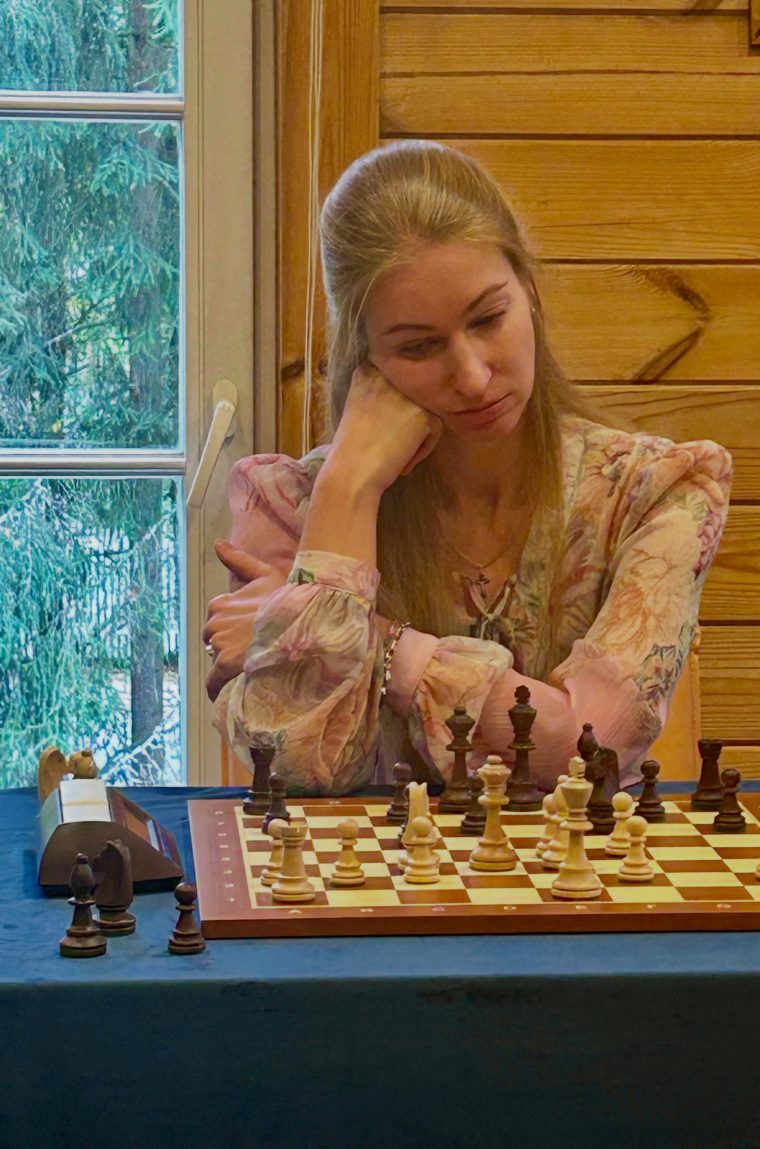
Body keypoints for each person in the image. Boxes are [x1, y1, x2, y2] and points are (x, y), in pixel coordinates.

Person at [204, 140, 730, 794]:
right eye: (418, 346)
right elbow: (300, 771)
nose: (473, 376)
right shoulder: (290, 505)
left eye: (488, 318)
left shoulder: (658, 492)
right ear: (364, 361)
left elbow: (588, 755)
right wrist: (350, 486)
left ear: (529, 292)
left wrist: (375, 643)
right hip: (373, 866)